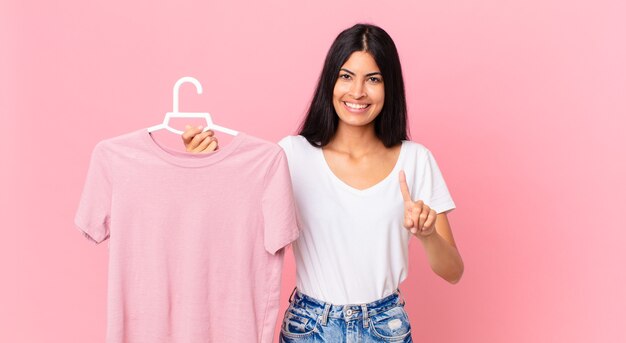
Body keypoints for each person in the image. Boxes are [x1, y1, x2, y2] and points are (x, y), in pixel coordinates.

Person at [182, 23, 463, 343]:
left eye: (373, 79)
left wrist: (427, 235)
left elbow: (453, 271)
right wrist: (203, 165)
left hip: (385, 329)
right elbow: (232, 228)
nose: (357, 92)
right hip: (310, 327)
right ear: (330, 80)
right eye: (346, 76)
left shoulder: (416, 160)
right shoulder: (291, 154)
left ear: (390, 87)